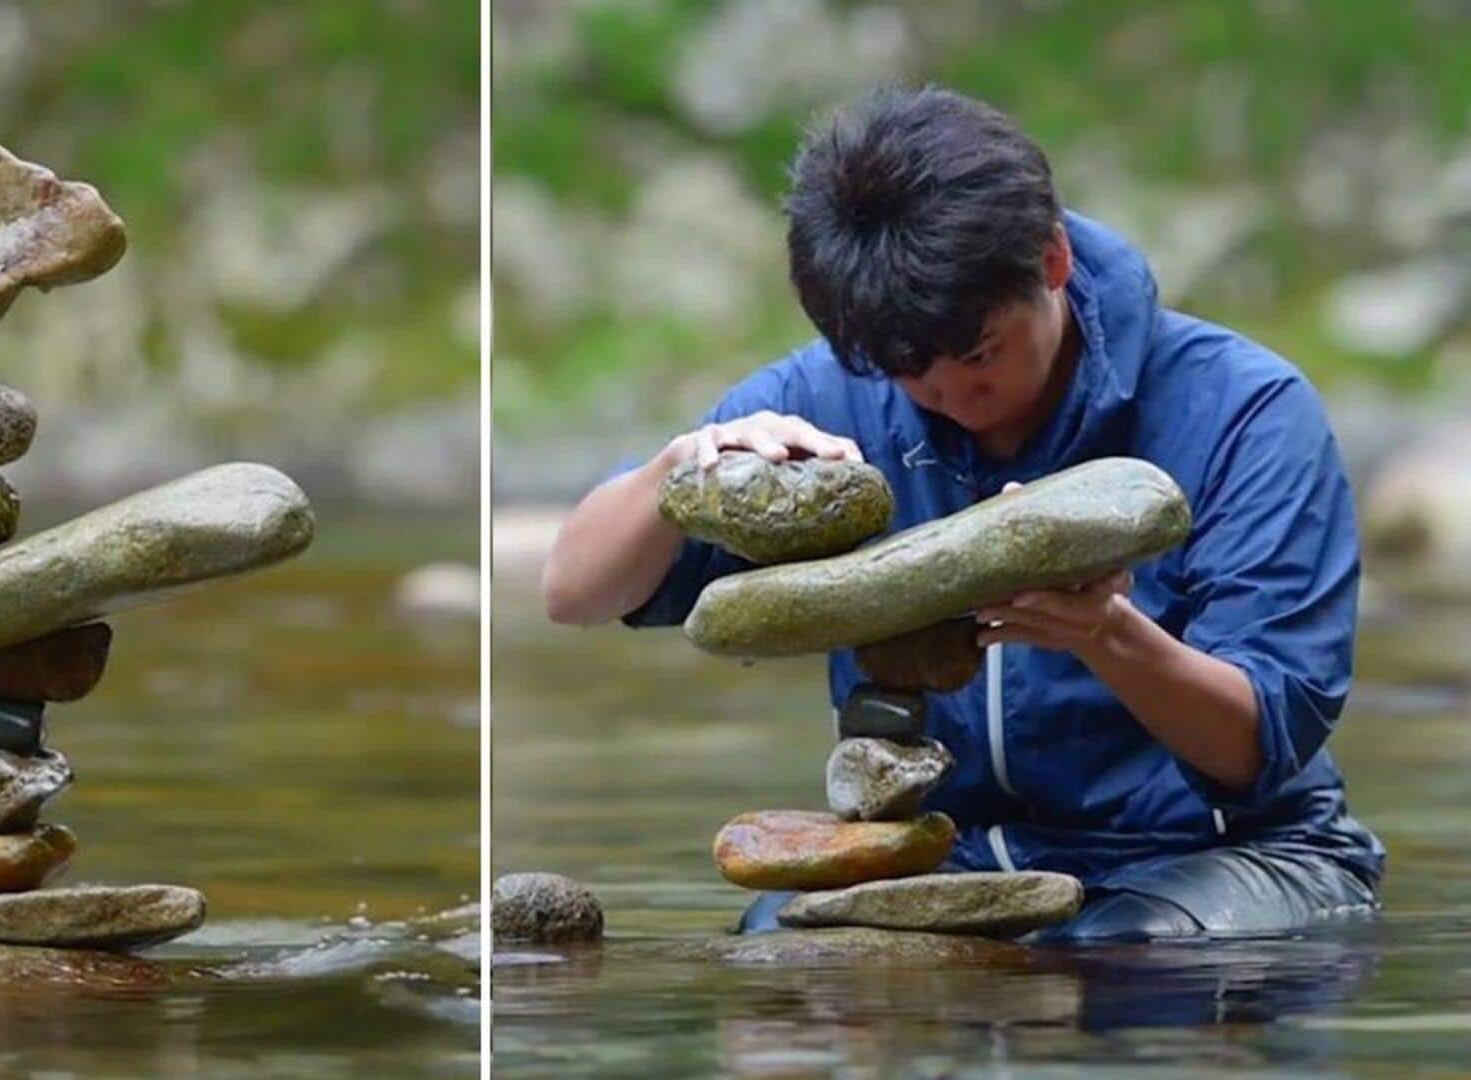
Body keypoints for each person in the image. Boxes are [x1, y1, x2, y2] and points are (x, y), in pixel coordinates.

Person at [540, 85, 1383, 942]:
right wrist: (684, 468)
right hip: (956, 854)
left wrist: (1104, 631)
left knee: (1102, 958)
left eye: (979, 355)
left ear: (1051, 261)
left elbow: (1257, 750)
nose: (950, 395)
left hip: (1230, 855)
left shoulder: (1247, 412)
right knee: (783, 958)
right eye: (911, 372)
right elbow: (573, 593)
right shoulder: (837, 393)